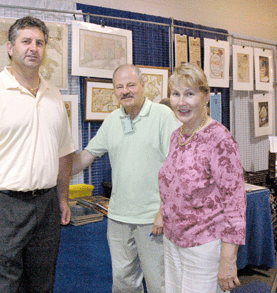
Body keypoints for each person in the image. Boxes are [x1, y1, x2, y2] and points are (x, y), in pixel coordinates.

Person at [0, 16, 75, 293]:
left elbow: (63, 154)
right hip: (1, 207)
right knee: (1, 285)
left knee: (41, 283)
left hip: (46, 206)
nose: (33, 48)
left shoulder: (54, 95)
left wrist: (62, 197)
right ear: (10, 48)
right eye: (26, 41)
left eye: (39, 42)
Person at [71, 64, 179, 293]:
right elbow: (85, 157)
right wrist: (51, 170)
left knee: (159, 283)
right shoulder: (112, 120)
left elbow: (177, 168)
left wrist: (164, 211)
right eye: (119, 87)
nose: (125, 91)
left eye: (131, 85)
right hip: (118, 218)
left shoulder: (163, 116)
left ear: (143, 85)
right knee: (123, 283)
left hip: (153, 219)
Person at [158, 63, 246, 293]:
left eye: (189, 94)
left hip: (204, 248)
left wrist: (228, 259)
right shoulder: (177, 136)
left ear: (205, 96)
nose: (181, 102)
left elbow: (235, 203)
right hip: (173, 242)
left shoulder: (219, 138)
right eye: (175, 94)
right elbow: (173, 186)